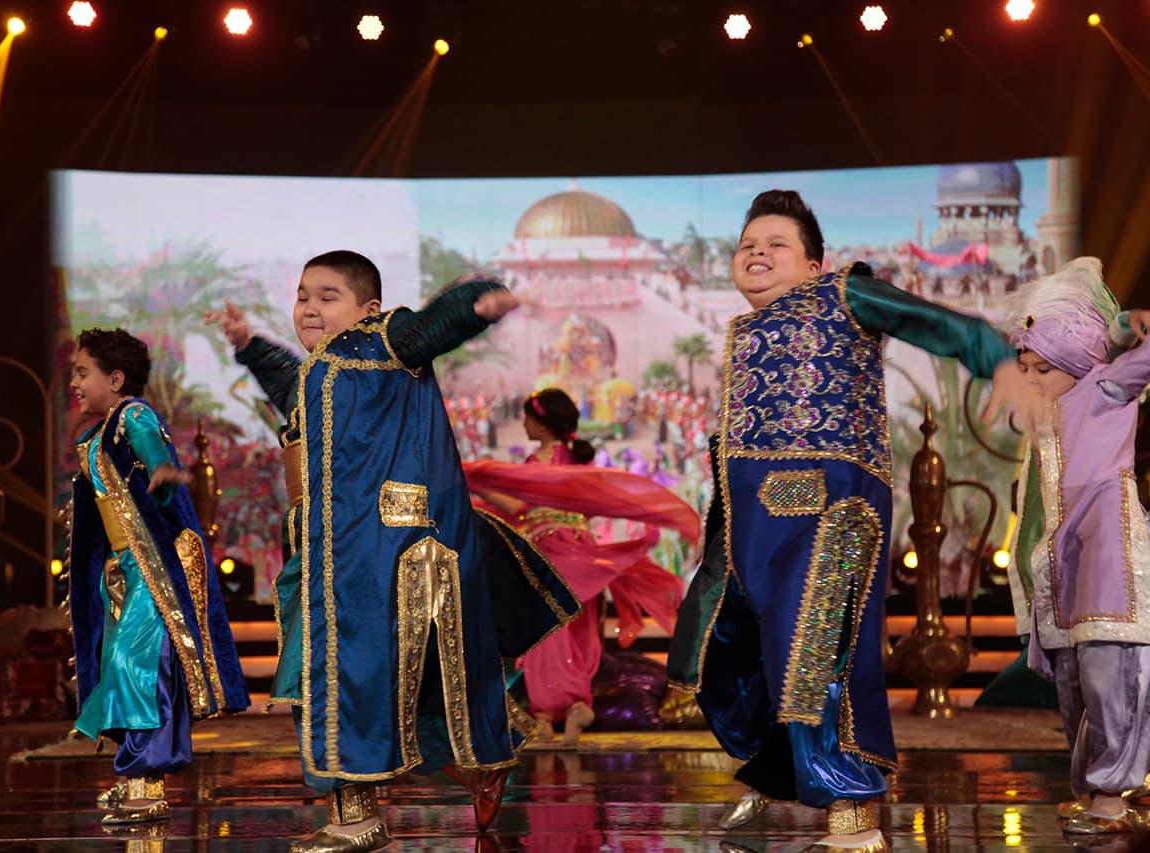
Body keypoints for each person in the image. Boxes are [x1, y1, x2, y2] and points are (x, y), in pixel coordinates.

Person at [666, 190, 1032, 853]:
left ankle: (853, 817)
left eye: (776, 244)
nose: (756, 252)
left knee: (818, 656)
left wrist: (994, 356)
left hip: (832, 513)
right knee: (747, 660)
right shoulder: (743, 337)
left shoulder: (845, 295)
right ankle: (777, 776)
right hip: (758, 529)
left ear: (814, 265)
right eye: (748, 243)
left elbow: (930, 320)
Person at [207, 250, 579, 853]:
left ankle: (367, 816)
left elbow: (433, 324)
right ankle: (435, 785)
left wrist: (477, 301)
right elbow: (286, 381)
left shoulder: (386, 343)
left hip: (384, 554)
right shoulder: (316, 377)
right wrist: (249, 343)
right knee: (320, 684)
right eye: (303, 295)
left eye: (328, 296)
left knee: (365, 678)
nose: (309, 306)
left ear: (368, 309)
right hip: (324, 559)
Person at [66, 328, 250, 825]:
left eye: (83, 372)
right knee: (117, 669)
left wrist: (162, 467)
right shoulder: (96, 434)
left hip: (154, 568)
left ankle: (147, 786)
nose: (74, 383)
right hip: (123, 571)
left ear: (117, 378)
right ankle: (132, 776)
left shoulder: (132, 414)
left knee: (140, 668)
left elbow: (148, 441)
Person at [1003, 257, 1150, 835]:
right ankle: (1093, 791)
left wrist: (1130, 325)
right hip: (1062, 554)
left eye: (1042, 368)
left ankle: (1112, 796)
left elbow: (1132, 352)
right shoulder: (1044, 413)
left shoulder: (1106, 386)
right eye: (1025, 367)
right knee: (1072, 678)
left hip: (1107, 547)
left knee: (1107, 669)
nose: (1031, 379)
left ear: (1075, 362)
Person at [463, 387, 699, 745]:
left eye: (528, 418)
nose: (523, 423)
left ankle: (546, 713)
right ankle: (577, 705)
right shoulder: (579, 464)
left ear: (542, 424)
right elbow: (588, 507)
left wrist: (471, 479)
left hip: (549, 553)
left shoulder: (535, 466)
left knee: (546, 632)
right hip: (583, 556)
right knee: (576, 630)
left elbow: (514, 508)